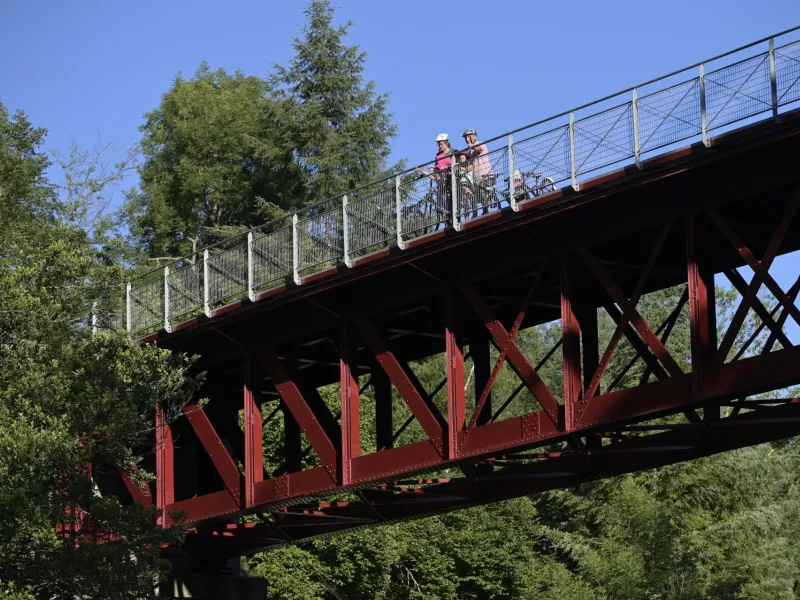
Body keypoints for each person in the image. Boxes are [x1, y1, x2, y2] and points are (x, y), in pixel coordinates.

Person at [415, 133, 454, 229]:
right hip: (441, 182)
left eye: (441, 144)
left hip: (451, 179)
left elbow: (457, 164)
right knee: (441, 207)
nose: (440, 146)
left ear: (446, 142)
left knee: (451, 203)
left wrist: (445, 168)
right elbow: (436, 173)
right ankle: (447, 224)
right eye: (438, 144)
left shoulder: (453, 152)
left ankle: (453, 220)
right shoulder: (437, 156)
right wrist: (422, 171)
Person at [461, 128, 493, 213]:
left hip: (486, 175)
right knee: (480, 197)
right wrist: (464, 169)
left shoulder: (480, 144)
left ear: (474, 136)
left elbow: (478, 149)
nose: (467, 139)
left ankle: (487, 211)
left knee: (485, 195)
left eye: (468, 137)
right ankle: (485, 211)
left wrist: (471, 145)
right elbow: (471, 165)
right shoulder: (471, 151)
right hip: (477, 178)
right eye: (465, 138)